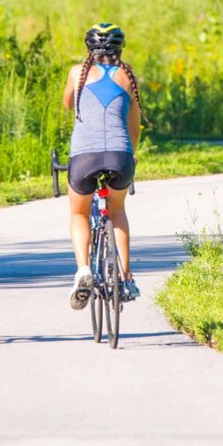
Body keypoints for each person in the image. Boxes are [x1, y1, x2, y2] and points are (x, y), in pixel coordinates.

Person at [63, 22, 143, 309]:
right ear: (120, 48)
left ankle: (83, 269)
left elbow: (68, 105)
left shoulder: (76, 73)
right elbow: (134, 129)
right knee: (118, 210)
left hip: (84, 157)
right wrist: (132, 153)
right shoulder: (128, 75)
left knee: (79, 214)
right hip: (121, 156)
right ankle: (125, 276)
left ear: (89, 49)